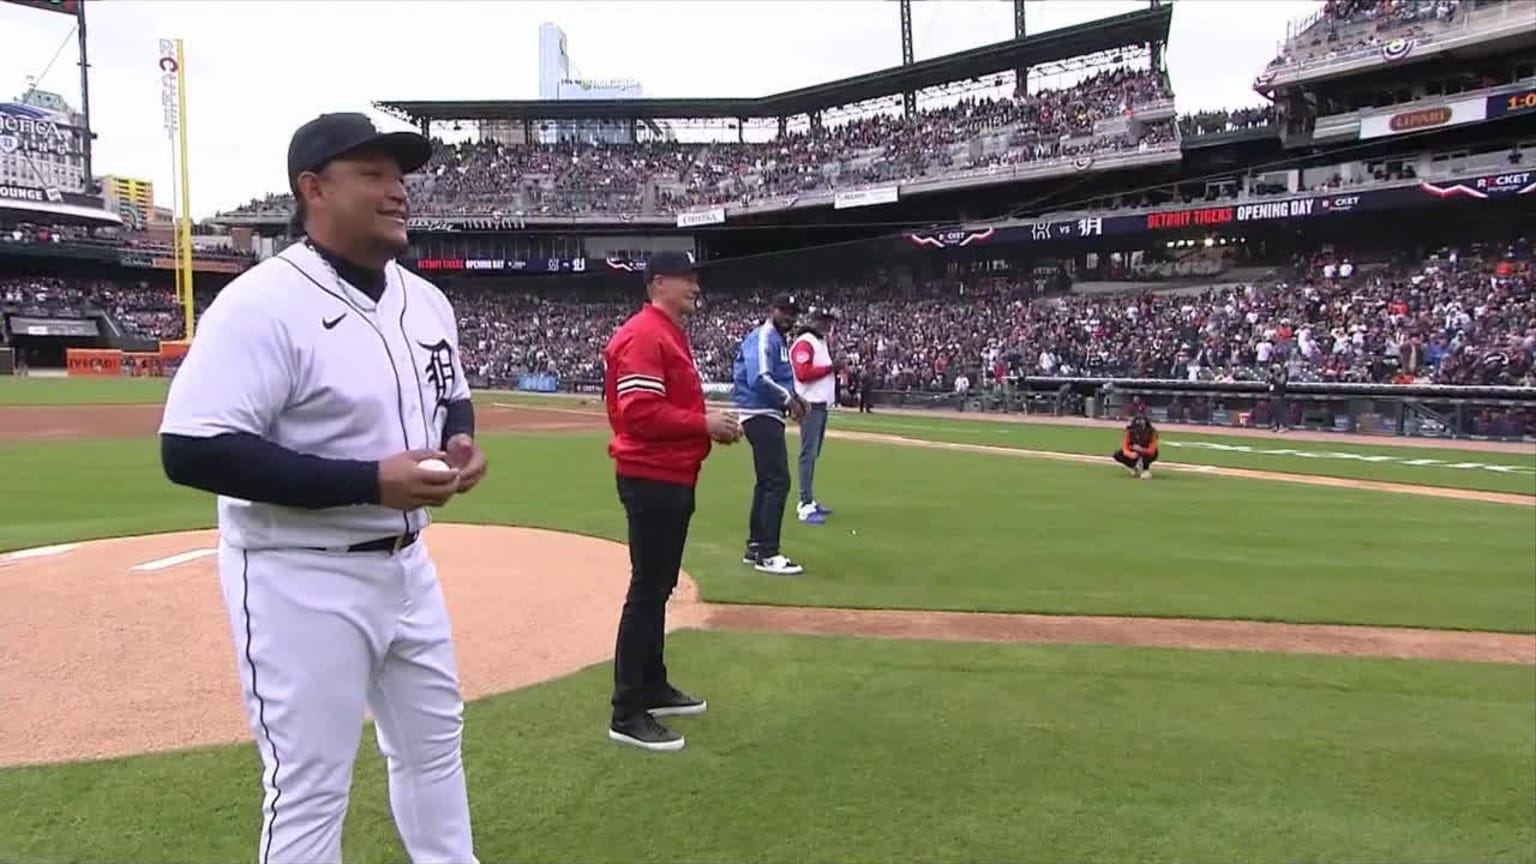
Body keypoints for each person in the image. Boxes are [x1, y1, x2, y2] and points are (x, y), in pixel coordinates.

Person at [157, 112, 486, 864]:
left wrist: (459, 442)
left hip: (408, 568)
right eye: (372, 174)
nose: (398, 190)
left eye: (399, 175)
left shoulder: (425, 299)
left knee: (434, 751)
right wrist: (371, 480)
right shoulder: (260, 302)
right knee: (309, 787)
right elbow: (192, 449)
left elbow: (451, 393)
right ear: (314, 189)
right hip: (298, 572)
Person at [602, 250, 742, 753]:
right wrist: (704, 424)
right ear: (658, 283)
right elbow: (640, 413)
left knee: (658, 586)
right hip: (651, 475)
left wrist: (705, 424)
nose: (695, 286)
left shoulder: (664, 332)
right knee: (646, 591)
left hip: (672, 473)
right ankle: (626, 709)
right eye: (686, 278)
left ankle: (652, 683)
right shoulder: (645, 334)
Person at [731, 293, 807, 575]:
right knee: (777, 480)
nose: (789, 317)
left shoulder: (777, 339)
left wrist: (796, 397)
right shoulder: (766, 336)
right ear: (772, 310)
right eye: (785, 311)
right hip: (760, 412)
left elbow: (777, 377)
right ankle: (768, 552)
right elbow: (760, 378)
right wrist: (790, 400)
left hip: (765, 413)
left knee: (766, 481)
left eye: (793, 313)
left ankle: (756, 547)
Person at [790, 307, 840, 524]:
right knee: (808, 454)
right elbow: (803, 374)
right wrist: (831, 368)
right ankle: (804, 503)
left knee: (813, 453)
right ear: (815, 321)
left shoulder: (819, 342)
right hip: (809, 405)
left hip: (820, 405)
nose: (829, 325)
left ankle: (809, 499)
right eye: (825, 321)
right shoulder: (806, 342)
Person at [1113, 415, 1159, 479]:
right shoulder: (1130, 432)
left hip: (1146, 452)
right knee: (1118, 454)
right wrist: (1130, 454)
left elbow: (1152, 450)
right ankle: (1135, 467)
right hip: (1134, 452)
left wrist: (1141, 449)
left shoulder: (1151, 433)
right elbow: (1125, 447)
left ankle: (1145, 470)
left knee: (1147, 455)